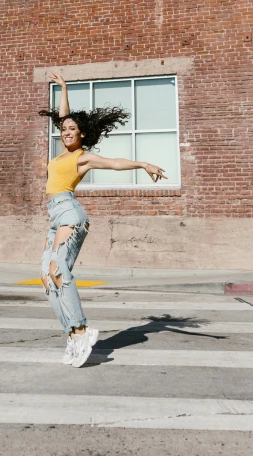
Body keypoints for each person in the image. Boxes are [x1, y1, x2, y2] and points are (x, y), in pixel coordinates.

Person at [39, 71, 167, 368]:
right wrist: (64, 89)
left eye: (73, 129)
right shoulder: (61, 154)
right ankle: (72, 334)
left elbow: (114, 163)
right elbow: (64, 117)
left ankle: (82, 329)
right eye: (65, 129)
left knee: (59, 267)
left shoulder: (81, 157)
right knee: (48, 276)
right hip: (54, 216)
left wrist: (143, 163)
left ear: (82, 134)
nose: (67, 132)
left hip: (70, 212)